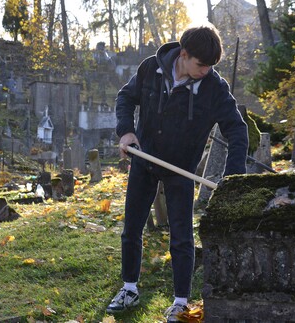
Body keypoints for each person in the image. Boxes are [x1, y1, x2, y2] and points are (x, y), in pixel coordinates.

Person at [107, 25, 249, 321]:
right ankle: (129, 288)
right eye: (201, 64)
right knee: (131, 229)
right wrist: (126, 133)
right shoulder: (151, 68)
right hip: (143, 160)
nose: (206, 71)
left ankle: (181, 302)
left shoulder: (214, 88)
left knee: (182, 237)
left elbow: (236, 129)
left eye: (211, 66)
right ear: (183, 55)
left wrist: (233, 177)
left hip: (180, 170)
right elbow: (125, 97)